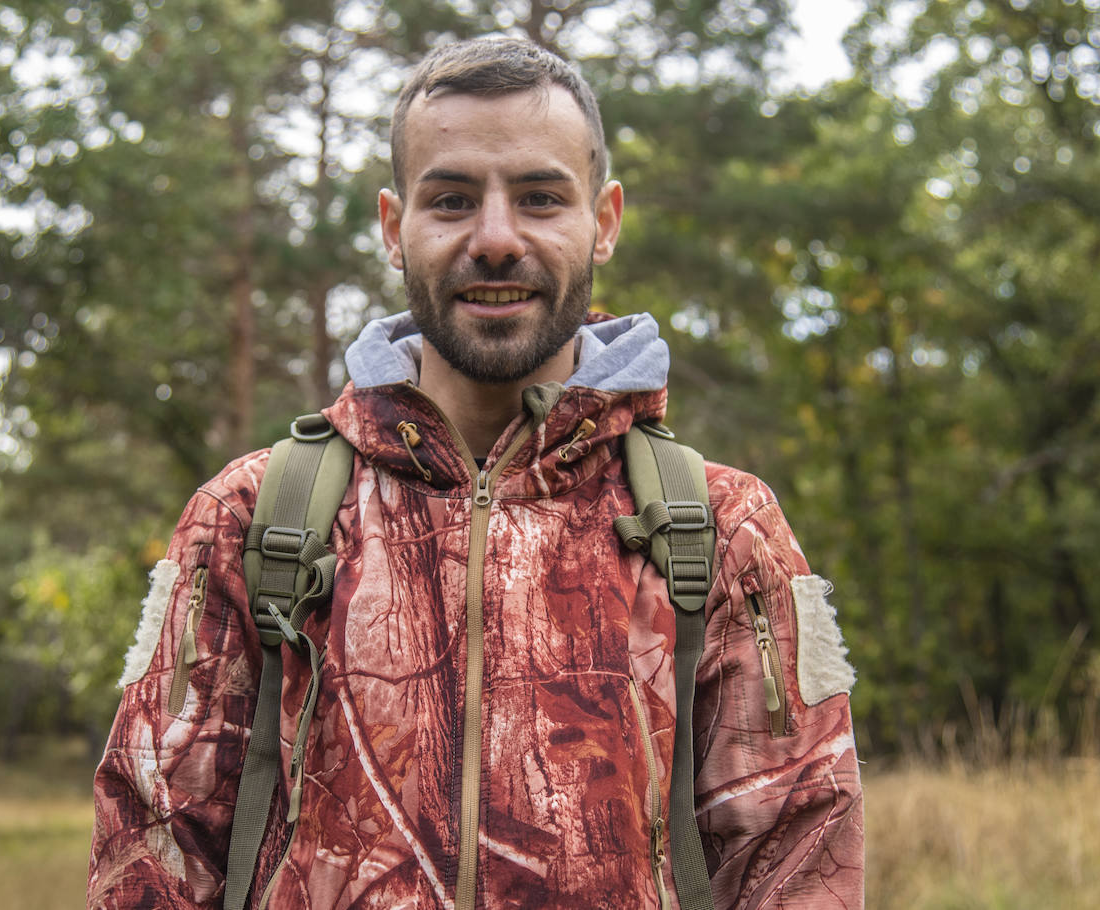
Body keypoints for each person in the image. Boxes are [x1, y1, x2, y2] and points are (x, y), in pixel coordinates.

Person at [88, 37, 863, 910]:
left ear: (603, 221)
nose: (495, 240)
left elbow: (799, 859)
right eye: (452, 200)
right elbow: (152, 848)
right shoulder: (250, 517)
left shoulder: (722, 526)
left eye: (539, 197)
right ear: (394, 226)